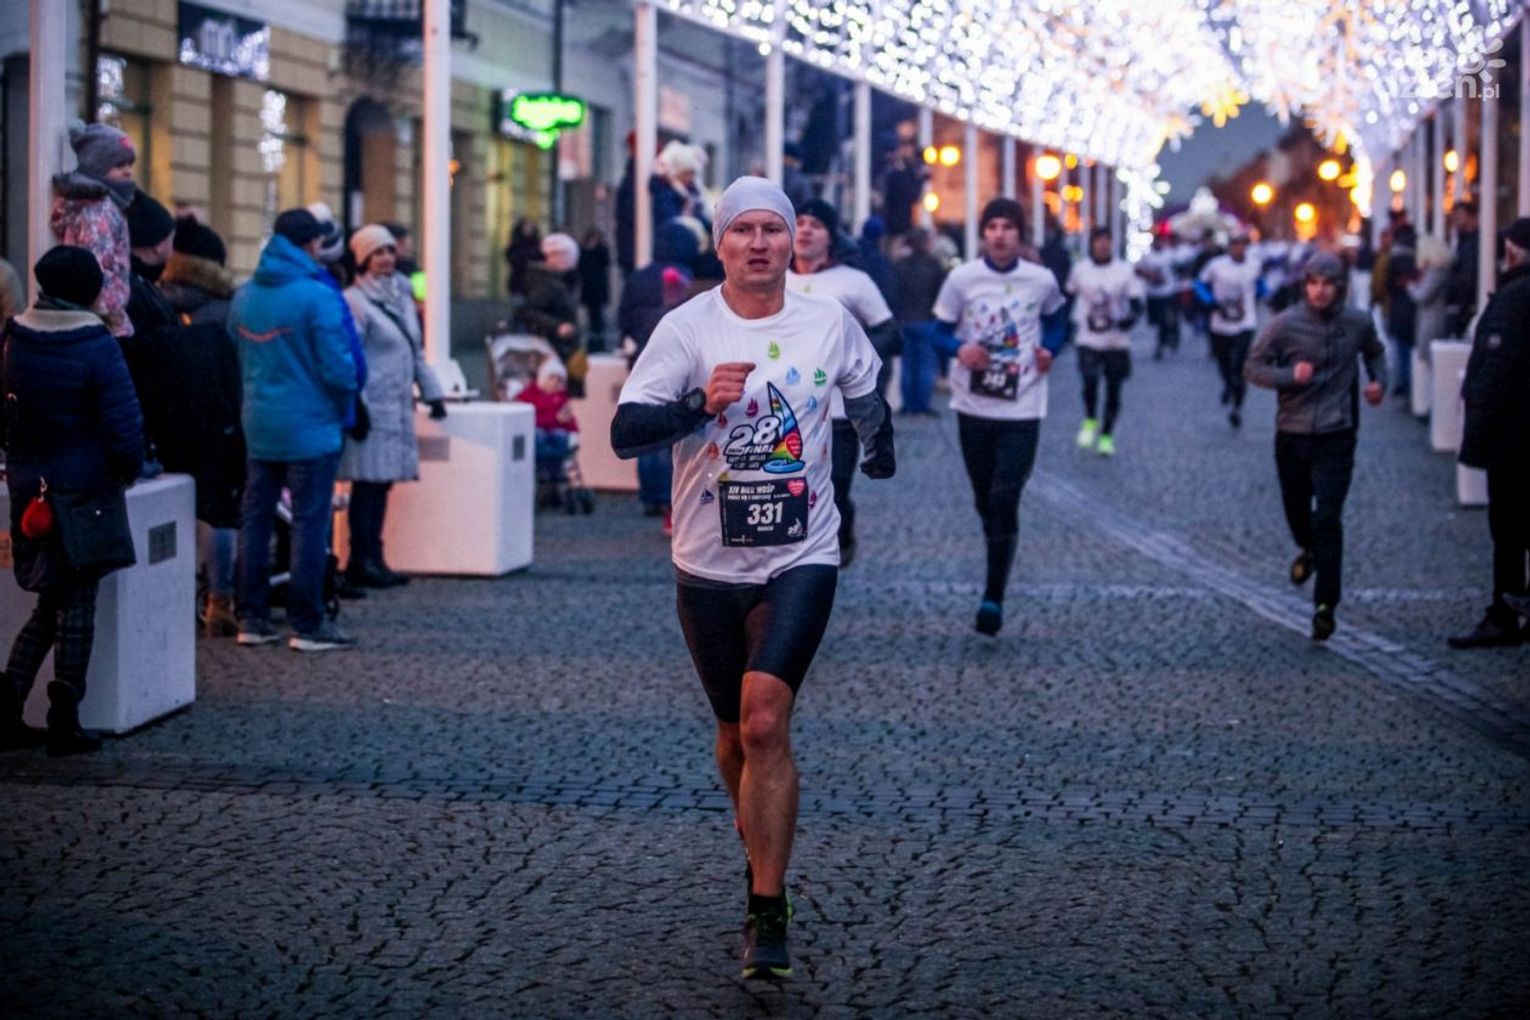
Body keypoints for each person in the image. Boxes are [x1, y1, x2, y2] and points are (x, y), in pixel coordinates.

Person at [610, 177, 894, 980]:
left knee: (766, 720)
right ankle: (757, 834)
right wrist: (700, 405)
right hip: (707, 561)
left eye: (774, 228)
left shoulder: (827, 320)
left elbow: (865, 390)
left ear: (794, 240)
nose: (759, 243)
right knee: (734, 733)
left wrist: (877, 444)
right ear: (722, 243)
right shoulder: (686, 327)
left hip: (802, 552)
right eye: (744, 230)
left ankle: (767, 908)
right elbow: (626, 432)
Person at [1, 246, 143, 755]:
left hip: (30, 485)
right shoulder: (95, 343)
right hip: (84, 486)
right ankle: (65, 718)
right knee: (78, 600)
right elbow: (124, 423)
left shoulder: (14, 337)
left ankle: (7, 707)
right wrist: (128, 470)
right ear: (89, 290)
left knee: (50, 599)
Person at [927, 197, 1066, 636]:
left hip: (1023, 405)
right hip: (973, 404)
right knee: (985, 499)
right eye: (992, 227)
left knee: (1005, 498)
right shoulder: (962, 279)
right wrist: (958, 349)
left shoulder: (1041, 280)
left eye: (1008, 227)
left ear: (1020, 234)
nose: (1000, 235)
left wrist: (1050, 350)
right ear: (983, 234)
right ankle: (998, 543)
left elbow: (1059, 322)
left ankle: (993, 596)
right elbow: (937, 331)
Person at [228, 209, 358, 652]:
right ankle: (307, 622)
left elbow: (235, 354)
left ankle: (251, 616)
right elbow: (339, 369)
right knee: (309, 522)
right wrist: (342, 407)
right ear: (312, 245)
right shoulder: (316, 296)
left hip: (259, 423)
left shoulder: (246, 296)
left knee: (255, 519)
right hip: (311, 425)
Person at [1244, 252, 1387, 641]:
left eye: (1328, 284)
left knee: (1328, 517)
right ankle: (1307, 549)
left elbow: (1375, 352)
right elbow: (1253, 368)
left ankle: (1326, 605)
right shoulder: (1284, 324)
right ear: (1304, 286)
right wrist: (1290, 376)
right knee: (1297, 512)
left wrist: (1379, 382)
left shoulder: (1357, 322)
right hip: (1292, 432)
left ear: (1340, 287)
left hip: (1337, 433)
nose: (1320, 291)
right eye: (1314, 283)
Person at [785, 198, 902, 567]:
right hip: (785, 408)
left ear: (830, 237)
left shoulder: (854, 282)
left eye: (816, 225)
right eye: (800, 222)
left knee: (833, 486)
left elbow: (890, 334)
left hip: (836, 409)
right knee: (791, 487)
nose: (805, 230)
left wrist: (848, 357)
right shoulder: (773, 279)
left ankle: (842, 531)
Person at [340, 224, 447, 589]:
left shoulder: (401, 295)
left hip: (397, 404)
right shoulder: (354, 301)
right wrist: (357, 404)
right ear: (362, 259)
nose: (386, 258)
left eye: (388, 251)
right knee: (367, 485)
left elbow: (414, 351)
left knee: (382, 483)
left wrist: (432, 392)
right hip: (372, 405)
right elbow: (350, 356)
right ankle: (360, 558)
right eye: (377, 253)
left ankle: (375, 557)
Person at [155, 217, 246, 635]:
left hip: (171, 422)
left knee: (173, 510)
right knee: (219, 513)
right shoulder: (227, 308)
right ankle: (220, 599)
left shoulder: (158, 304)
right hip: (220, 423)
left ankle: (178, 593)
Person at [1448, 217, 1530, 649]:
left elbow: (1495, 368)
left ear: (1512, 250)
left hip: (1513, 435)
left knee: (1509, 527)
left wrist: (1475, 421)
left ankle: (1505, 613)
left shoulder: (1515, 298)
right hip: (1518, 430)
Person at [617, 219, 700, 528]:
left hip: (642, 354)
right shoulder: (686, 277)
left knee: (645, 421)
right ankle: (667, 497)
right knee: (669, 428)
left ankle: (649, 494)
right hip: (676, 360)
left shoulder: (638, 277)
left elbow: (624, 316)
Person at [50, 122, 136, 338]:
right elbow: (98, 267)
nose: (128, 170)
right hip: (104, 321)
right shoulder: (99, 211)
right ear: (98, 167)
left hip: (98, 316)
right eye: (119, 165)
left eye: (130, 163)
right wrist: (110, 313)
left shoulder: (101, 205)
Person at [1068, 227, 1145, 456]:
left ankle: (1106, 435)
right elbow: (1069, 293)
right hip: (1088, 336)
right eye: (1098, 241)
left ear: (1112, 243)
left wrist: (1130, 319)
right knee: (1089, 381)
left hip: (1116, 339)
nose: (1102, 245)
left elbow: (1136, 300)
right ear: (1092, 244)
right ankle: (1090, 418)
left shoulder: (1124, 270)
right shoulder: (1080, 269)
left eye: (1106, 241)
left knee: (1114, 389)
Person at [1196, 230, 1265, 429]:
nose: (1238, 248)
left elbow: (1261, 285)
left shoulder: (1254, 265)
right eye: (1235, 244)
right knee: (1224, 363)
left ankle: (1237, 407)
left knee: (1240, 366)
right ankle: (1227, 385)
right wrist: (1210, 301)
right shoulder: (1216, 265)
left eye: (1242, 244)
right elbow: (1200, 284)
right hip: (1220, 323)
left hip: (1245, 322)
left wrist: (1261, 295)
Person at [516, 233, 585, 396]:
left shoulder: (558, 281)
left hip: (563, 346)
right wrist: (557, 326)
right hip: (554, 347)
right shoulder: (547, 283)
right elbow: (528, 311)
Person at [893, 228, 948, 415]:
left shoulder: (900, 265)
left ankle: (908, 404)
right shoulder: (934, 266)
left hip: (904, 319)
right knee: (925, 364)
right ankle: (922, 404)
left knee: (907, 364)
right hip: (926, 319)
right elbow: (941, 293)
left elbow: (894, 292)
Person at [1385, 224, 1419, 398]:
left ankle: (1405, 385)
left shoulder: (1394, 259)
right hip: (1414, 311)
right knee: (1410, 352)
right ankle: (1410, 386)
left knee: (1402, 351)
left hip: (1399, 310)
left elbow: (1387, 285)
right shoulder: (1417, 257)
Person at [1137, 226, 1181, 358]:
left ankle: (1163, 342)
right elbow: (1137, 270)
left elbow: (1179, 269)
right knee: (1155, 321)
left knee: (1166, 319)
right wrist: (1149, 275)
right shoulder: (1147, 256)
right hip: (1152, 293)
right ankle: (1164, 338)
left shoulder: (1170, 255)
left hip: (1167, 292)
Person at [1444, 201, 1480, 338]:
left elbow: (1468, 275)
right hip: (1461, 305)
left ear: (1472, 216)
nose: (1456, 221)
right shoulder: (1461, 242)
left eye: (1460, 216)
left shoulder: (1476, 243)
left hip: (1468, 305)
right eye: (1454, 217)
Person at [578, 227, 613, 351]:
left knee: (598, 317)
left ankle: (599, 343)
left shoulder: (601, 250)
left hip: (598, 287)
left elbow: (606, 262)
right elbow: (581, 266)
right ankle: (592, 344)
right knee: (592, 316)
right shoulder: (583, 250)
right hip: (589, 287)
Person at [504, 218, 543, 298]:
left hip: (534, 283)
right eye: (526, 227)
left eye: (530, 227)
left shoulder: (538, 244)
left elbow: (542, 259)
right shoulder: (515, 244)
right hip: (518, 282)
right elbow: (511, 258)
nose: (528, 230)